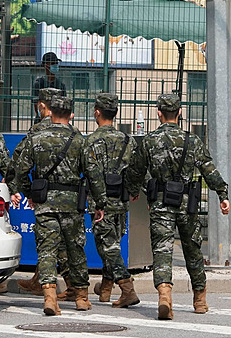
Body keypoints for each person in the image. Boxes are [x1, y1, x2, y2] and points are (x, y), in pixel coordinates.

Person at [128, 94, 230, 320]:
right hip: (187, 202)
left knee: (162, 249)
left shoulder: (149, 140)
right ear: (180, 113)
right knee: (193, 249)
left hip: (161, 202)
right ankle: (200, 299)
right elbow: (208, 169)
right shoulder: (192, 141)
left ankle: (165, 295)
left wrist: (134, 191)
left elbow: (135, 170)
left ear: (158, 113)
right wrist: (222, 193)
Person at [8, 95, 90, 315]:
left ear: (50, 113)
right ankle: (81, 297)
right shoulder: (79, 139)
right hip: (73, 204)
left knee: (47, 250)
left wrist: (30, 194)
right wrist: (98, 201)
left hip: (44, 203)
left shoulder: (37, 137)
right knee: (76, 250)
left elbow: (20, 171)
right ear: (71, 115)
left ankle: (50, 297)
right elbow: (93, 173)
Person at [0, 87, 73, 300]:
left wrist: (13, 184)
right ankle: (53, 283)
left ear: (43, 106)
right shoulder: (70, 129)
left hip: (44, 193)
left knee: (48, 241)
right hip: (71, 195)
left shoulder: (38, 130)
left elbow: (19, 158)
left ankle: (61, 286)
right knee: (64, 240)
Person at [82, 93, 140, 308]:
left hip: (101, 202)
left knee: (107, 246)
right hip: (121, 201)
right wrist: (133, 190)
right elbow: (136, 170)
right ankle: (105, 290)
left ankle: (127, 288)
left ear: (97, 112)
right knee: (113, 241)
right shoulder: (128, 140)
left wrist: (98, 203)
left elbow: (91, 173)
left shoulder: (91, 140)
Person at [32, 52, 66, 124]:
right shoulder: (38, 83)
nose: (55, 65)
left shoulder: (60, 84)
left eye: (56, 63)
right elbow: (36, 105)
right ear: (45, 65)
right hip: (41, 121)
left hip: (57, 121)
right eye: (52, 63)